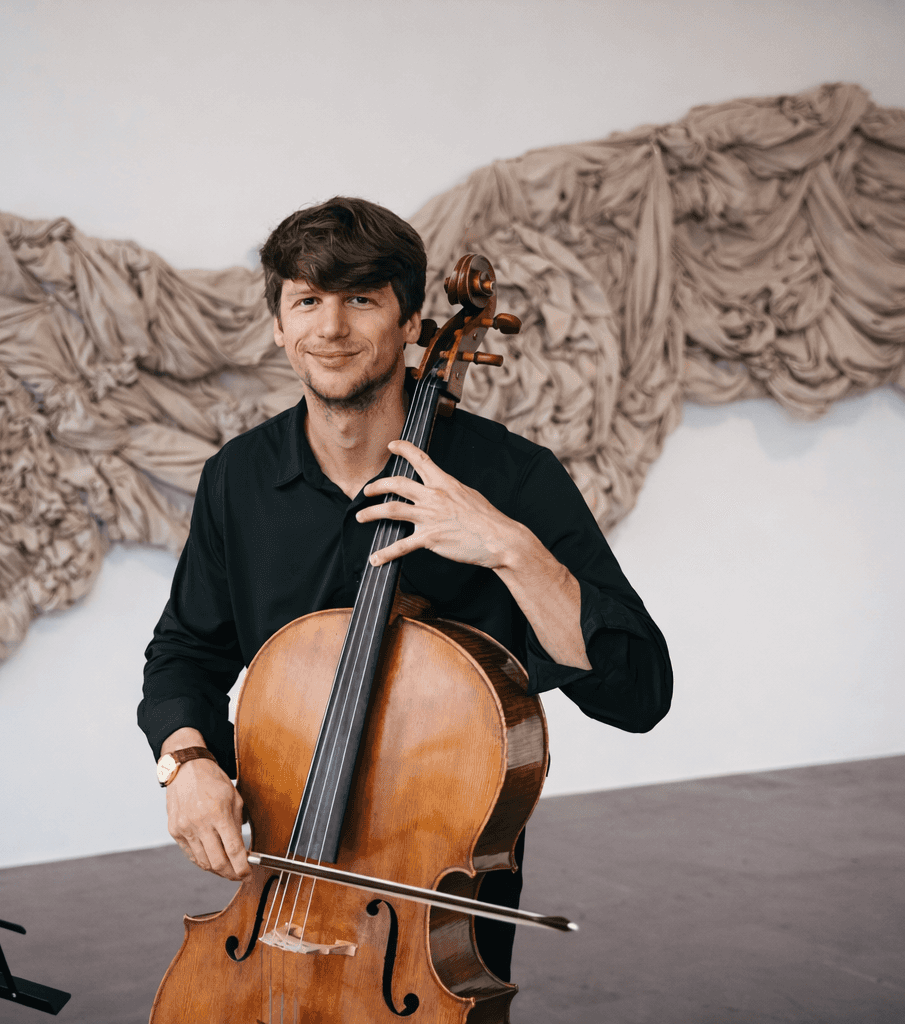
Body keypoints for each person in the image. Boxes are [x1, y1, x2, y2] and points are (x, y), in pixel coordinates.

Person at [138, 196, 671, 982]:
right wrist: (185, 763)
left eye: (362, 300)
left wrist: (508, 547)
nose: (332, 328)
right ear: (279, 327)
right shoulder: (238, 479)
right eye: (308, 301)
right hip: (281, 869)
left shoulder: (510, 479)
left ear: (414, 323)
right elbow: (185, 651)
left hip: (436, 894)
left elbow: (637, 695)